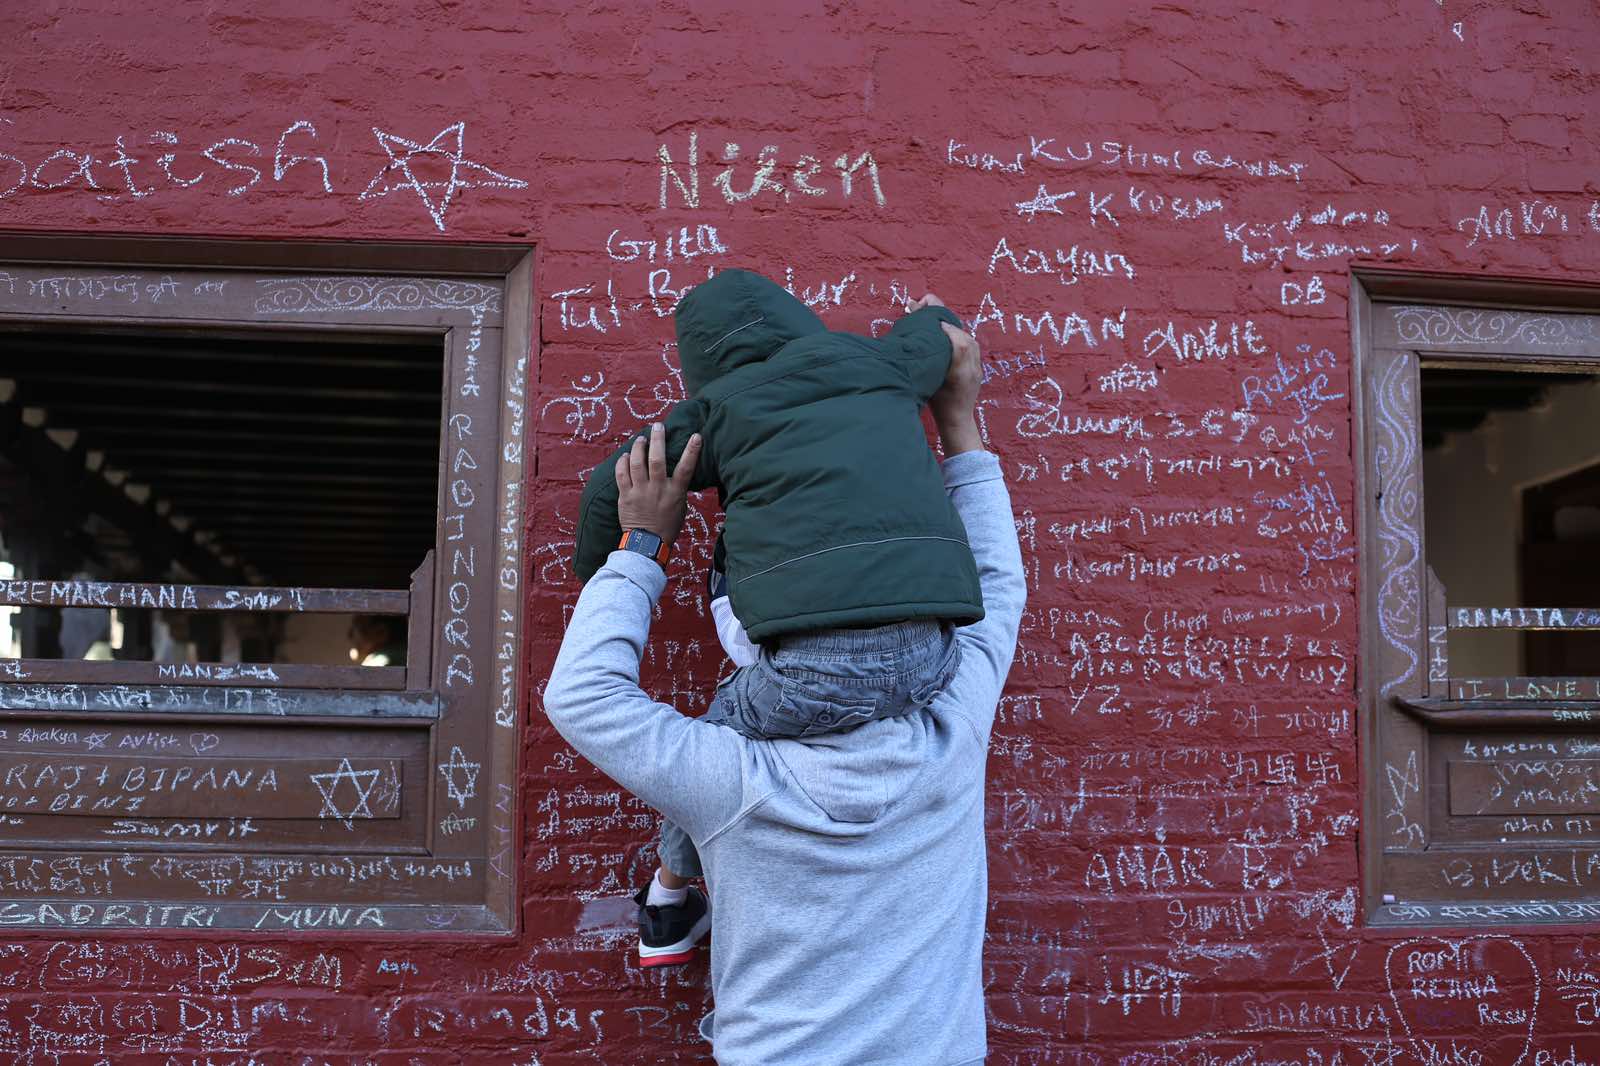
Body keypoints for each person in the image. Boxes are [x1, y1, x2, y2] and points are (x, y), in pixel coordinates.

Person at [544, 315, 1025, 1064]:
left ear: (757, 631)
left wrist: (641, 543)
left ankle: (674, 896)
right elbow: (995, 585)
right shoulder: (949, 732)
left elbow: (581, 699)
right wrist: (958, 419)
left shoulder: (735, 782)